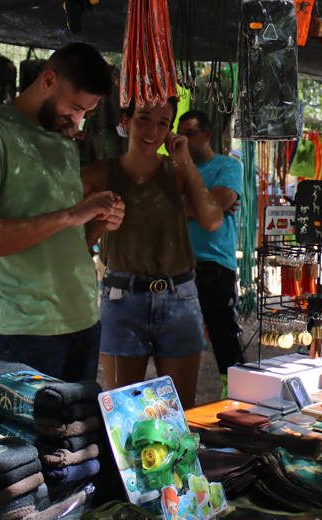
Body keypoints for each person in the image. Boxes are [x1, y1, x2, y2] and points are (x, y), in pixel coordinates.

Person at [0, 43, 125, 382]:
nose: (78, 121)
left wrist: (98, 225)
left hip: (84, 319)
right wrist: (73, 215)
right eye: (75, 107)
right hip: (28, 329)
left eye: (86, 114)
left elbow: (66, 239)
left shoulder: (62, 139)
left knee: (77, 433)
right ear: (48, 79)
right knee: (33, 435)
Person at [83, 98, 224, 408]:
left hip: (178, 296)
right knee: (123, 411)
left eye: (163, 123)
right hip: (122, 297)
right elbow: (75, 242)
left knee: (179, 410)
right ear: (126, 120)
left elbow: (213, 220)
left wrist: (186, 162)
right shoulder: (98, 175)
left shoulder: (177, 171)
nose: (152, 131)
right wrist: (100, 224)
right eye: (144, 119)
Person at [177, 110, 244, 399]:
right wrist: (205, 205)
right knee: (180, 334)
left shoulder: (228, 166)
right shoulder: (176, 169)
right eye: (180, 135)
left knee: (223, 332)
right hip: (180, 262)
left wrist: (192, 206)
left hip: (215, 261)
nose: (184, 141)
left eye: (190, 134)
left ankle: (236, 390)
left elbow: (219, 204)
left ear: (206, 135)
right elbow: (207, 209)